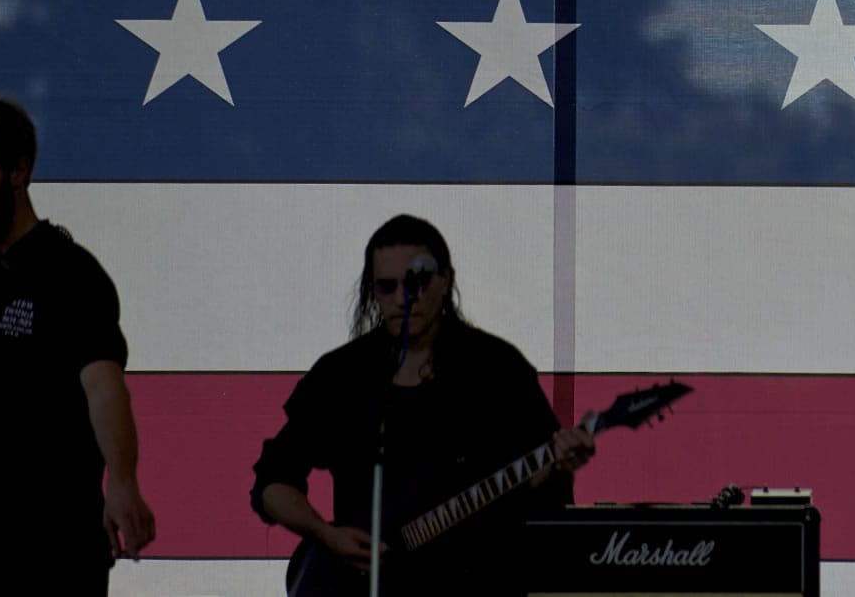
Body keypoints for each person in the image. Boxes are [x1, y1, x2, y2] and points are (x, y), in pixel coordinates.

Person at [251, 214, 596, 596]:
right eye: (387, 286)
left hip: (474, 579)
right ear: (373, 291)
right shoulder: (342, 374)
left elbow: (540, 486)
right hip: (364, 582)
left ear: (445, 280)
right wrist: (326, 534)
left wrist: (558, 465)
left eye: (417, 282)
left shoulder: (497, 368)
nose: (404, 298)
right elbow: (272, 482)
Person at [0, 93, 155, 596]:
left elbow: (104, 386)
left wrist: (123, 480)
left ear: (19, 170)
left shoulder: (69, 273)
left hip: (51, 556)